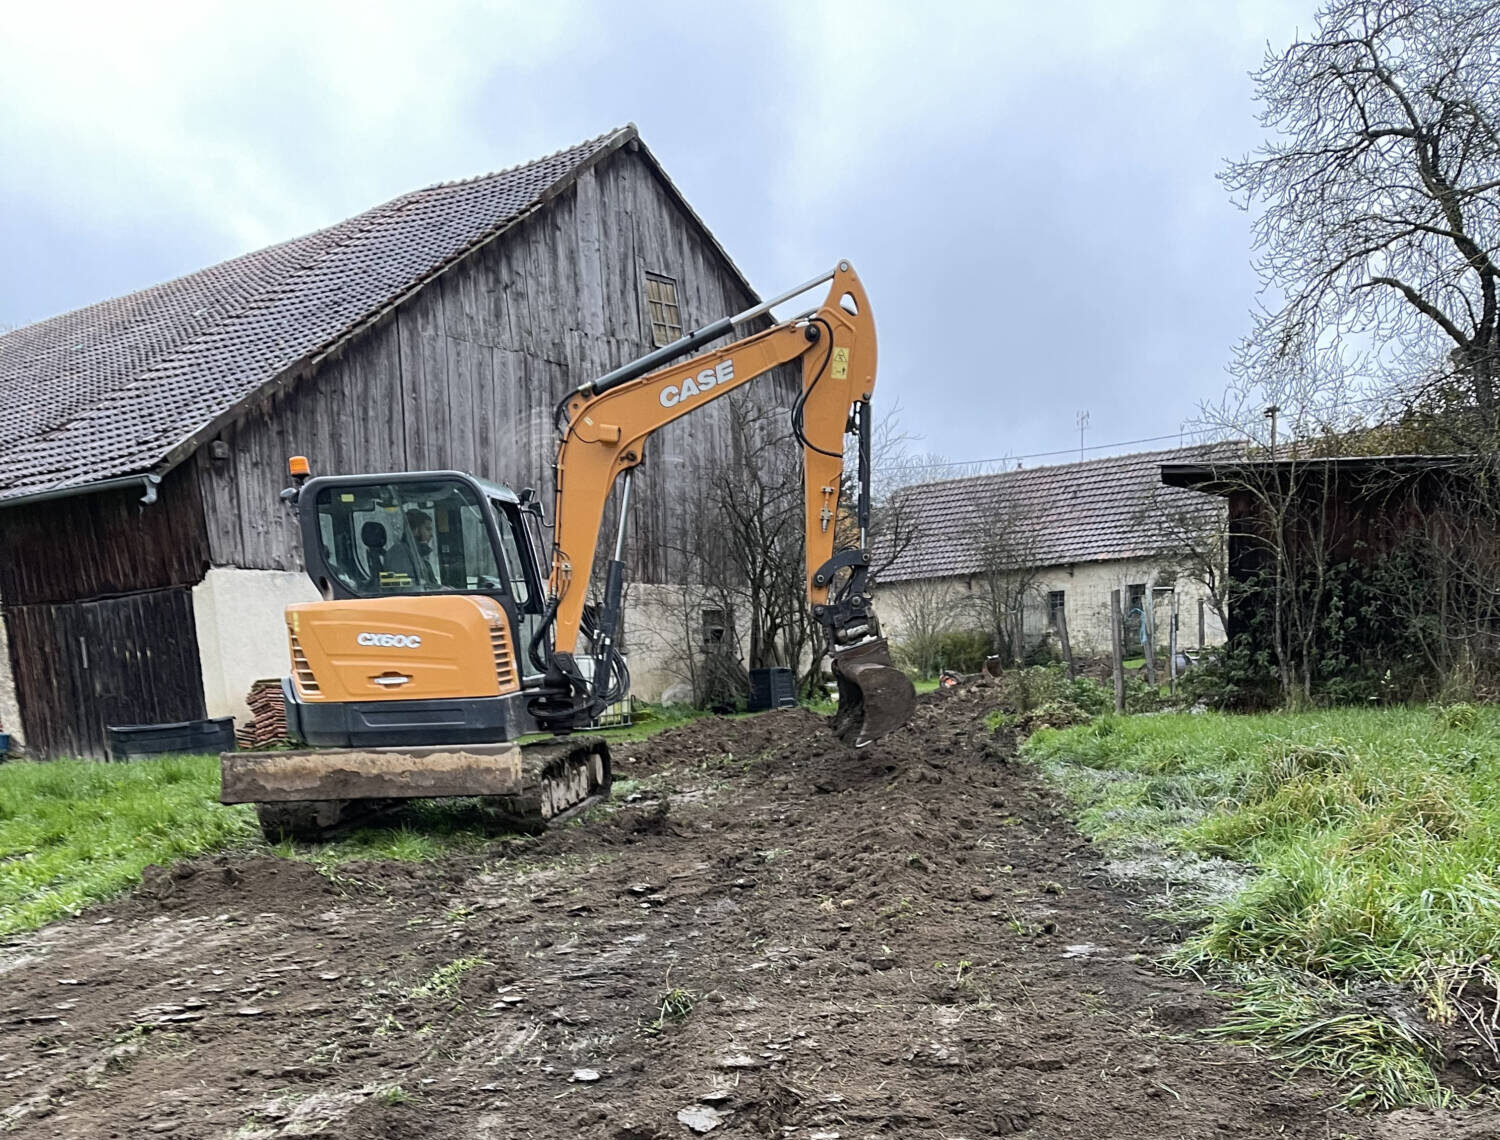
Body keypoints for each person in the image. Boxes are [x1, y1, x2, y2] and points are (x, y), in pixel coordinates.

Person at [384, 509, 439, 587]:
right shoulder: (398, 555)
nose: (431, 535)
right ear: (415, 530)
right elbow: (404, 590)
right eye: (428, 529)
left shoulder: (415, 554)